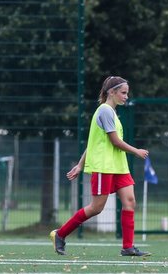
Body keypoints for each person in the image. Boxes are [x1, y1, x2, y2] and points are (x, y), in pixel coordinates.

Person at [51, 76, 151, 257]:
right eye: (123, 93)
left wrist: (80, 165)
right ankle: (60, 234)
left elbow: (95, 143)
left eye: (127, 93)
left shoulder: (112, 113)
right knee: (96, 207)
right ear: (111, 92)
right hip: (104, 166)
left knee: (130, 202)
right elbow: (114, 141)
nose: (126, 96)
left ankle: (128, 247)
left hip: (118, 166)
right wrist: (136, 151)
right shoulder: (105, 110)